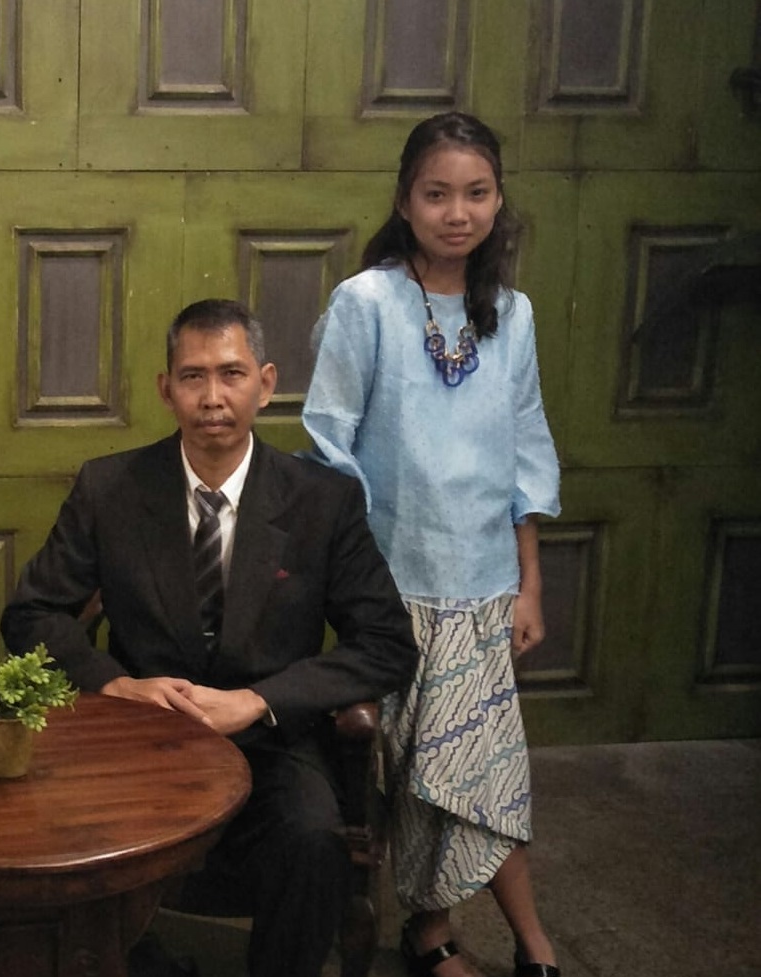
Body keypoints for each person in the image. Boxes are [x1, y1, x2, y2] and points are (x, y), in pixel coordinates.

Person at [1, 298, 418, 977]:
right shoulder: (109, 487)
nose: (213, 396)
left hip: (270, 738)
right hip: (139, 734)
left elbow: (386, 643)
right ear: (166, 389)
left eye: (231, 373)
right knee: (55, 828)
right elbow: (31, 614)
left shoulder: (321, 500)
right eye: (193, 376)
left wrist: (258, 700)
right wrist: (115, 683)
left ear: (265, 383)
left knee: (313, 839)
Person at [301, 112, 562, 977]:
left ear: (497, 200)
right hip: (393, 589)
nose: (457, 212)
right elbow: (330, 444)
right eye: (437, 193)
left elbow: (525, 449)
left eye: (476, 193)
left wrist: (528, 584)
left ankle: (519, 943)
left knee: (477, 772)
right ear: (405, 200)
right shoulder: (366, 303)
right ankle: (437, 934)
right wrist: (358, 585)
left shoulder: (513, 315)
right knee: (419, 771)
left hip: (483, 588)